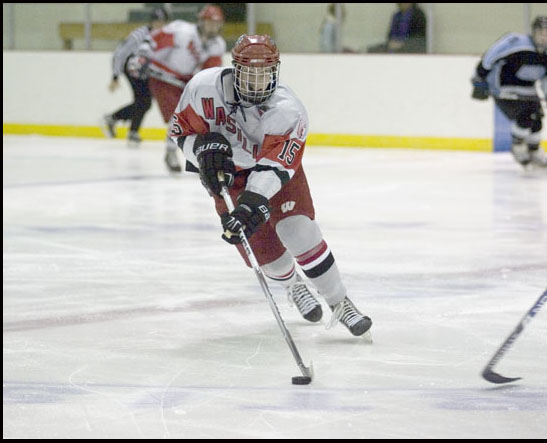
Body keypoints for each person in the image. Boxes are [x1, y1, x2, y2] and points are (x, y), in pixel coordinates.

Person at [169, 34, 373, 337]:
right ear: (235, 69)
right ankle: (293, 285)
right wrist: (200, 150)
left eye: (264, 74)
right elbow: (180, 132)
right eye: (249, 73)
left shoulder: (288, 109)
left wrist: (254, 199)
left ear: (275, 71)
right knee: (268, 260)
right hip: (230, 177)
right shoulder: (202, 88)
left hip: (274, 175)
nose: (257, 82)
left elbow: (275, 166)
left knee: (298, 231)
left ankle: (340, 302)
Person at [471, 16, 547, 168]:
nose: (543, 36)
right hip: (503, 86)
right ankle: (518, 147)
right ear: (533, 32)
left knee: (537, 120)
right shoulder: (515, 43)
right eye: (540, 32)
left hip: (527, 88)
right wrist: (479, 80)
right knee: (525, 117)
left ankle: (534, 151)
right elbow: (490, 57)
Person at [145, 4, 226, 172]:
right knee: (178, 116)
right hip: (161, 76)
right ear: (201, 21)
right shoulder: (182, 31)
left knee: (194, 117)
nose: (213, 27)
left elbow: (208, 73)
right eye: (209, 22)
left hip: (183, 81)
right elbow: (152, 41)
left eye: (216, 24)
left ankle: (191, 154)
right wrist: (141, 58)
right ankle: (171, 152)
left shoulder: (217, 44)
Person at [102, 7, 169, 147]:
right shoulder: (139, 35)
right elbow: (120, 53)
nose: (159, 25)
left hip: (146, 70)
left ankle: (120, 123)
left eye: (162, 22)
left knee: (143, 102)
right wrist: (115, 76)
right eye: (157, 22)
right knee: (144, 101)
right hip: (133, 68)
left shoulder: (165, 36)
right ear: (151, 22)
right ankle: (121, 123)